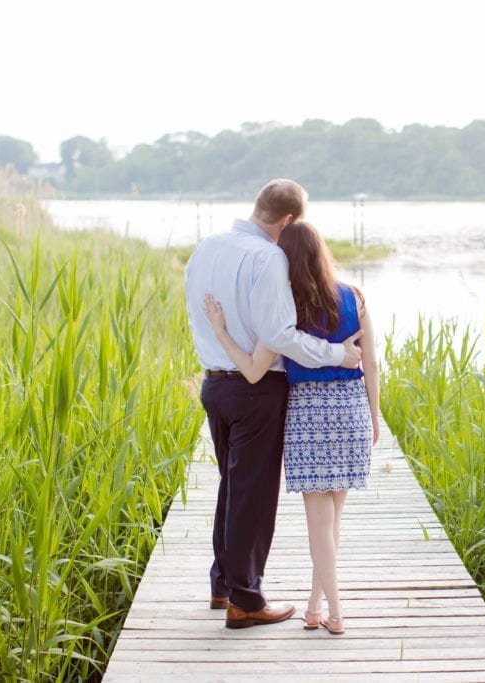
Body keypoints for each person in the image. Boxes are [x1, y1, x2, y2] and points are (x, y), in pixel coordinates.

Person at [183, 179, 363, 630]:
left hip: (215, 386)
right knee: (253, 496)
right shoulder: (268, 256)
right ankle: (246, 600)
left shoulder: (207, 247)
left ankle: (223, 583)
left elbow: (196, 311)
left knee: (232, 487)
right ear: (286, 221)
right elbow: (280, 335)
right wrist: (337, 354)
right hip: (256, 388)